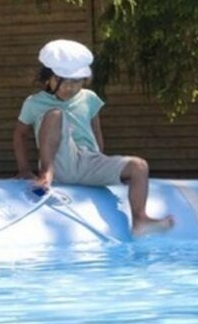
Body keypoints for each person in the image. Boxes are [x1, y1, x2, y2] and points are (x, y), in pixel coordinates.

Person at [12, 39, 175, 237]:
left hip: (89, 161)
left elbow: (96, 131)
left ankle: (140, 219)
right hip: (62, 163)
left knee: (139, 166)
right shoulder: (35, 102)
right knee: (55, 115)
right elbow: (20, 134)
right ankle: (46, 175)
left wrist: (102, 163)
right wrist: (24, 169)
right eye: (64, 81)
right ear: (48, 78)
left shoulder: (89, 98)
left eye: (77, 82)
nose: (70, 88)